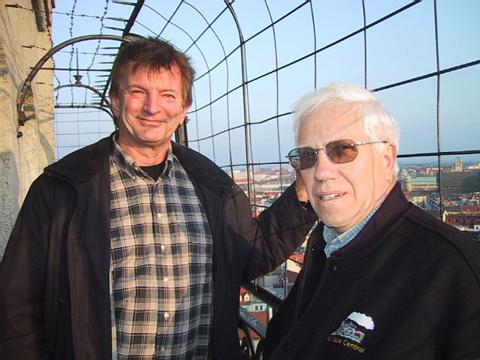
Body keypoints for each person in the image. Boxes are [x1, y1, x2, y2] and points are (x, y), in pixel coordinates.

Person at [0, 37, 316, 359]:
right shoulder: (61, 190)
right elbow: (16, 306)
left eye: (168, 95)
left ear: (183, 109)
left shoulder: (214, 186)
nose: (153, 108)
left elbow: (250, 256)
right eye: (138, 92)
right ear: (115, 100)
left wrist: (303, 192)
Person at [263, 83, 480, 359]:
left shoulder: (456, 271)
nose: (321, 172)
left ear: (386, 158)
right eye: (308, 156)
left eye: (342, 150)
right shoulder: (325, 246)